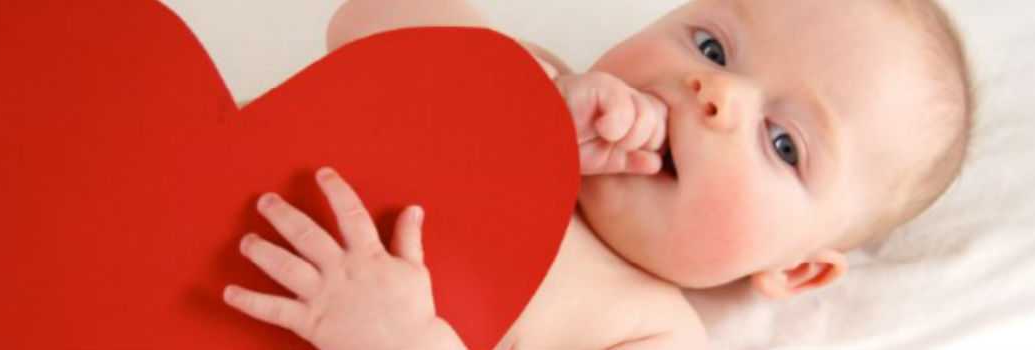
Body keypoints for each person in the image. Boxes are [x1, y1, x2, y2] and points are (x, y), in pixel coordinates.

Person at [221, 0, 973, 349]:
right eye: (710, 47)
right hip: (160, 206)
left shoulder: (644, 331)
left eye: (782, 143)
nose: (715, 96)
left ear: (798, 271)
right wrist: (519, 112)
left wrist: (396, 341)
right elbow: (363, 21)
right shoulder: (527, 81)